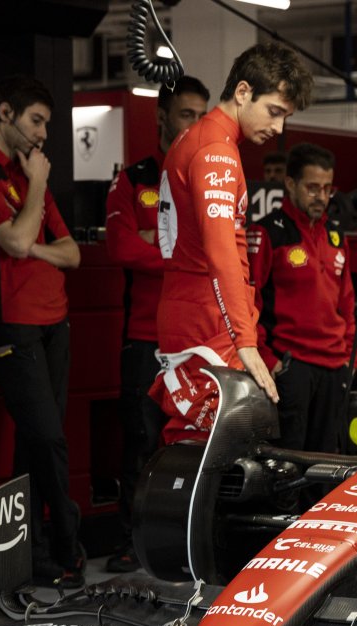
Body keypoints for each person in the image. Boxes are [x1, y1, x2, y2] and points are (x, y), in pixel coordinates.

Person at [0, 75, 84, 587]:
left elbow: (71, 253)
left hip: (54, 321)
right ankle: (68, 547)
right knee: (47, 438)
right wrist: (39, 191)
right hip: (8, 322)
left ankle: (31, 555)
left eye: (46, 123)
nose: (43, 134)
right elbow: (16, 240)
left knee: (35, 442)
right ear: (5, 114)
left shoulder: (24, 175)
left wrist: (35, 246)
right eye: (36, 121)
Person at [152, 42, 313, 444]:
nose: (279, 128)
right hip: (206, 321)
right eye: (274, 111)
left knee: (208, 447)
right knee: (209, 451)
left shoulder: (197, 139)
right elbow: (221, 250)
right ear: (243, 92)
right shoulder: (216, 152)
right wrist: (246, 340)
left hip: (197, 312)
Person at [104, 76, 209, 573]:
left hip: (193, 341)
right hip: (144, 336)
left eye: (202, 116)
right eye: (187, 114)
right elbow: (121, 247)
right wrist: (181, 255)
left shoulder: (207, 177)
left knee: (189, 446)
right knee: (140, 443)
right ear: (162, 117)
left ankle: (184, 543)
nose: (195, 125)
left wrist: (159, 244)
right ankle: (132, 542)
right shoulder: (133, 180)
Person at [247, 143, 354, 453]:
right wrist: (269, 360)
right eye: (312, 187)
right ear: (291, 184)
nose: (321, 196)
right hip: (291, 368)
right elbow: (248, 304)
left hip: (334, 369)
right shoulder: (267, 232)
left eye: (327, 188)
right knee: (288, 467)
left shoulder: (337, 235)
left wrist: (349, 357)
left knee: (328, 466)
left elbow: (347, 304)